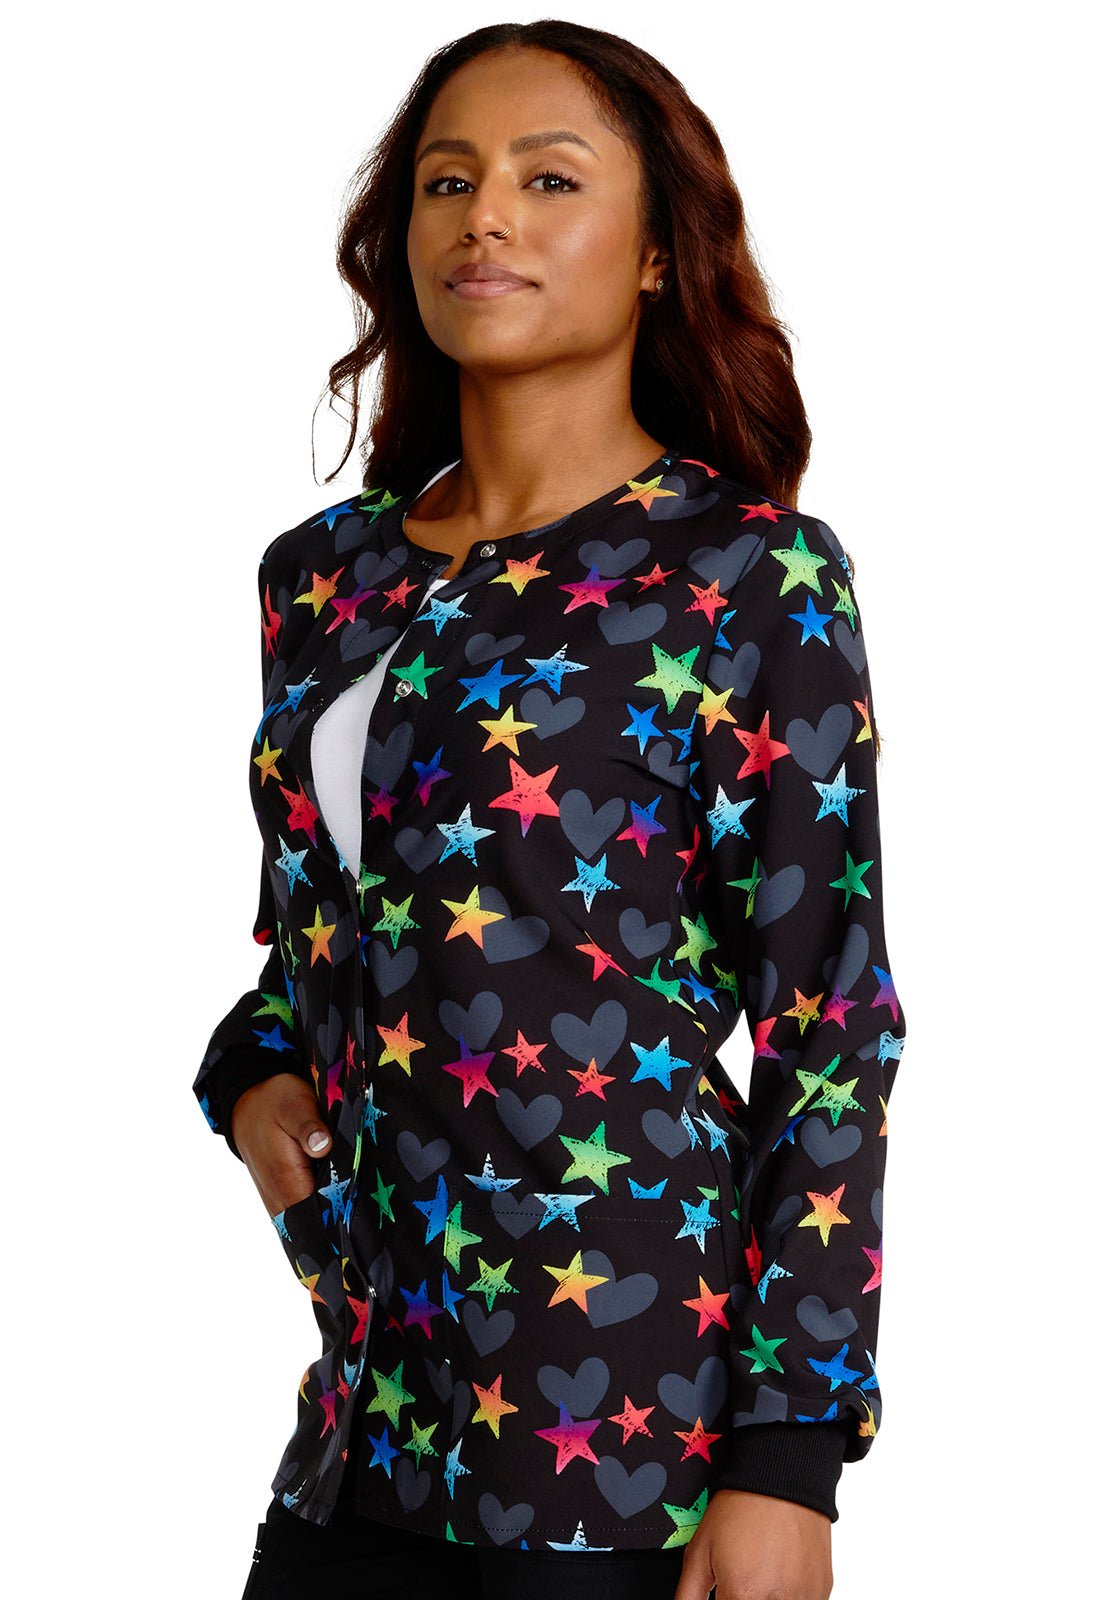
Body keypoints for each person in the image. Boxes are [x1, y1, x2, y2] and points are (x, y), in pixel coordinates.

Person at [193, 20, 907, 1600]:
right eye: (449, 182)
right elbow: (319, 947)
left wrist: (790, 1460)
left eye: (550, 179)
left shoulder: (750, 576)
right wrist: (249, 1078)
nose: (487, 218)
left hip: (622, 1438)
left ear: (656, 254)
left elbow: (831, 1023)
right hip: (365, 1416)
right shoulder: (320, 580)